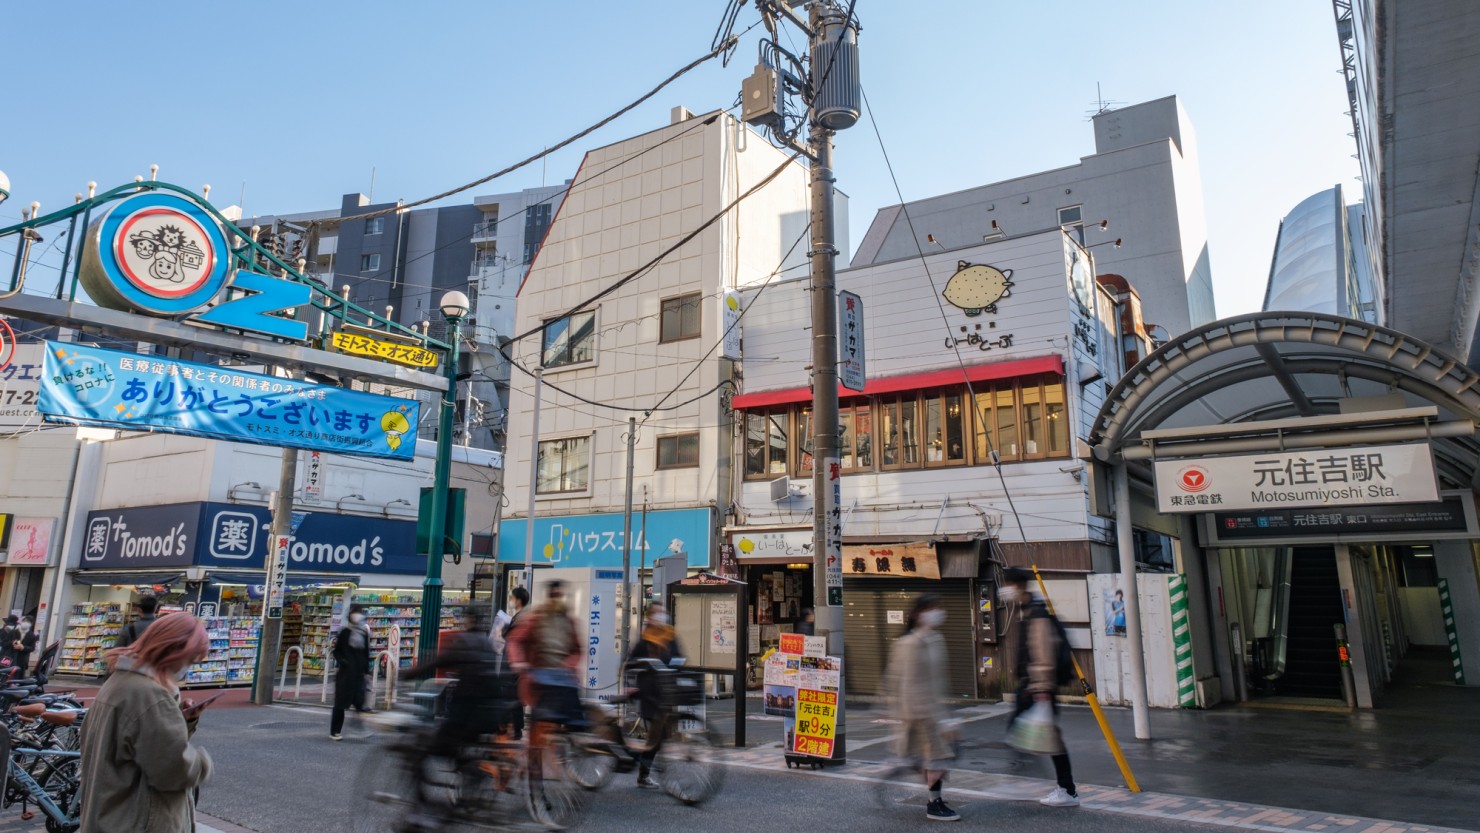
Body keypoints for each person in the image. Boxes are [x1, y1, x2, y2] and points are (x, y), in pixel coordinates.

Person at [78, 612, 214, 833]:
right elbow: (173, 770)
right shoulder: (150, 696)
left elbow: (143, 746)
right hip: (138, 821)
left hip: (108, 815)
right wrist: (203, 764)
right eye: (190, 660)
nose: (187, 668)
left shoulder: (120, 683)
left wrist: (182, 720)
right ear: (173, 651)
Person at [400, 609, 505, 830]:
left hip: (465, 715)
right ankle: (470, 780)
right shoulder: (487, 644)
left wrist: (409, 673)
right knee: (459, 750)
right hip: (488, 716)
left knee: (422, 750)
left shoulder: (463, 641)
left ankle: (423, 809)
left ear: (468, 620)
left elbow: (439, 661)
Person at [1001, 567, 1079, 808]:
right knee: (1025, 729)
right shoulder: (1027, 610)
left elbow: (1043, 653)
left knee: (1048, 737)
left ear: (1018, 586)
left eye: (1008, 585)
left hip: (1038, 686)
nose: (1004, 590)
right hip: (1032, 685)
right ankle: (1057, 785)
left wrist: (1042, 688)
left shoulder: (1036, 614)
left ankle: (1066, 790)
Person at [885, 594, 960, 822]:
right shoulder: (909, 643)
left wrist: (946, 713)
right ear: (918, 614)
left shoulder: (936, 639)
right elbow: (903, 682)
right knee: (937, 759)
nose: (937, 612)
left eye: (938, 607)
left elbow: (939, 679)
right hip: (920, 714)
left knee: (935, 759)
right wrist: (927, 716)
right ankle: (933, 804)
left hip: (934, 711)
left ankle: (929, 793)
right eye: (931, 608)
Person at [507, 581, 584, 732]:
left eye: (559, 595)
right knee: (541, 717)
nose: (556, 599)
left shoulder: (569, 621)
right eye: (553, 595)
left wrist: (568, 665)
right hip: (541, 677)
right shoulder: (536, 618)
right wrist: (519, 662)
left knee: (576, 721)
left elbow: (577, 649)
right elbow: (515, 640)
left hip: (563, 677)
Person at [625, 601, 684, 788]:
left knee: (661, 736)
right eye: (657, 613)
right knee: (655, 736)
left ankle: (645, 766)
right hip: (649, 692)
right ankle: (644, 771)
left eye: (663, 613)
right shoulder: (644, 639)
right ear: (649, 617)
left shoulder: (670, 636)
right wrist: (632, 683)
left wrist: (677, 664)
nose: (661, 617)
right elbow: (631, 663)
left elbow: (678, 656)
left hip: (666, 690)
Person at [329, 605, 373, 740]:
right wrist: (343, 662)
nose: (357, 616)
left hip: (358, 674)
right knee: (340, 704)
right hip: (345, 675)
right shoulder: (345, 633)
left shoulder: (364, 634)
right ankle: (335, 731)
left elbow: (366, 653)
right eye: (355, 613)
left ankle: (360, 727)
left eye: (359, 613)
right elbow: (336, 651)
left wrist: (367, 672)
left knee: (359, 702)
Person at [497, 587, 531, 739]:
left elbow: (513, 639)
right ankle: (514, 727)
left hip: (514, 663)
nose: (511, 601)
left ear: (518, 600)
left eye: (512, 598)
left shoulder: (522, 617)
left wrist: (503, 630)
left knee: (511, 694)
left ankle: (512, 728)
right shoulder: (521, 616)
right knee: (514, 695)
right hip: (518, 663)